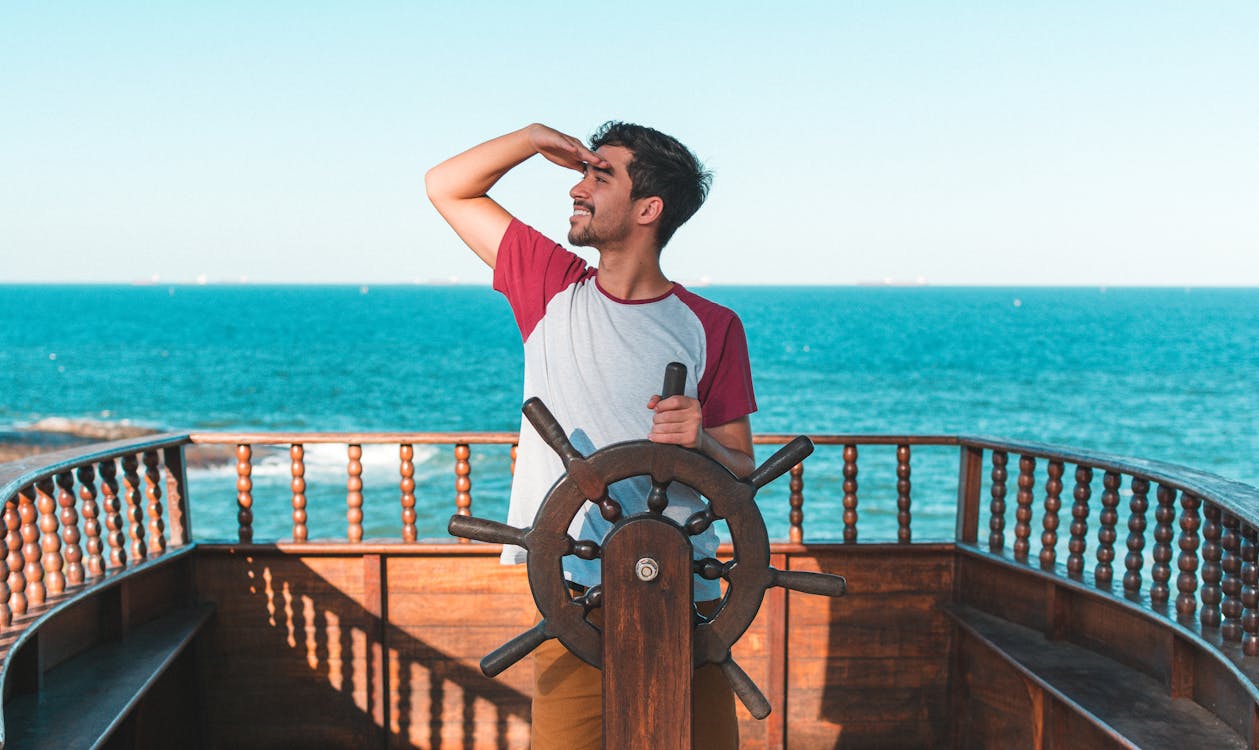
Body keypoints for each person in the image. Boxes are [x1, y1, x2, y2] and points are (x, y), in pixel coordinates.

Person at [426, 122, 757, 749]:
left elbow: (742, 468)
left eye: (599, 176)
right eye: (582, 172)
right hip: (575, 594)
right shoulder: (550, 284)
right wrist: (529, 141)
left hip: (689, 597)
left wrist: (704, 442)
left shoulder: (713, 326)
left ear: (648, 209)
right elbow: (446, 187)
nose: (577, 189)